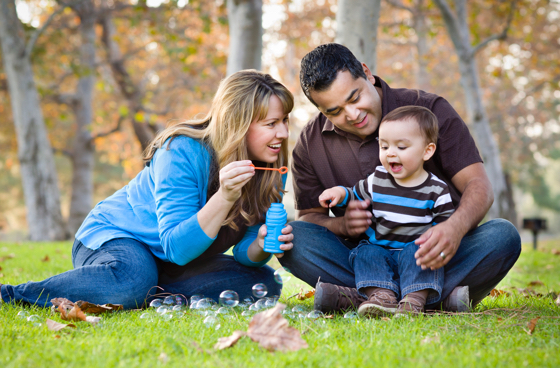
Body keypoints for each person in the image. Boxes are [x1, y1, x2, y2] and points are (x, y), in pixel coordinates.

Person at [0, 70, 295, 309]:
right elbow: (177, 248)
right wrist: (225, 197)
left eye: (284, 121)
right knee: (132, 278)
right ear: (238, 124)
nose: (282, 133)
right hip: (118, 238)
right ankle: (12, 295)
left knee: (264, 281)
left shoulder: (270, 171)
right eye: (271, 123)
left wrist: (259, 243)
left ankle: (147, 292)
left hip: (173, 262)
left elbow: (245, 251)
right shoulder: (182, 151)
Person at [280, 43, 521, 313]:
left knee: (502, 236)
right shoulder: (310, 143)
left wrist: (453, 229)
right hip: (368, 257)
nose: (352, 114)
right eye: (334, 112)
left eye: (354, 97)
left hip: (433, 255)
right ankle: (430, 299)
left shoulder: (429, 110)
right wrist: (343, 226)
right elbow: (310, 217)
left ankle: (363, 299)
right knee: (293, 238)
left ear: (367, 73)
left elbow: (479, 185)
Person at [318, 106, 455, 317]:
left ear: (427, 151)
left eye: (401, 147)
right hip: (381, 252)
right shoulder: (378, 179)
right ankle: (382, 297)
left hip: (414, 254)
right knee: (365, 252)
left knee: (422, 254)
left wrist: (437, 248)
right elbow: (355, 193)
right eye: (383, 146)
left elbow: (445, 229)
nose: (390, 153)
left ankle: (414, 300)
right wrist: (339, 193)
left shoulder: (437, 190)